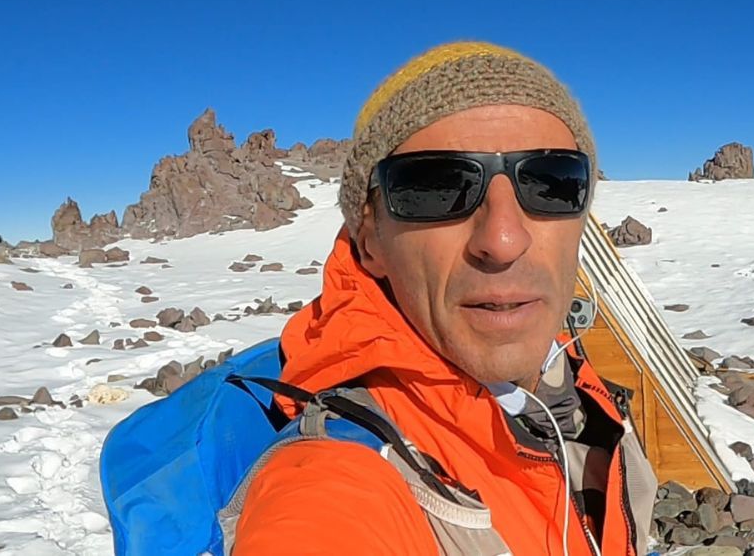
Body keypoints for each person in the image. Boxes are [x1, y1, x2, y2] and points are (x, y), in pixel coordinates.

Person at [230, 41, 657, 555]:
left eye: (551, 183)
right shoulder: (334, 478)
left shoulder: (575, 392)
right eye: (435, 187)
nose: (503, 240)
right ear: (370, 242)